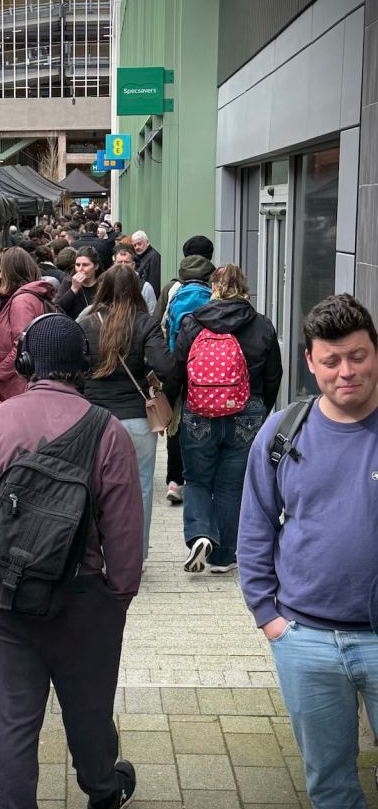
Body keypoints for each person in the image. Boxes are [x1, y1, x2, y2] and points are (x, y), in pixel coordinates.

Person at [0, 312, 143, 809]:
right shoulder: (107, 430)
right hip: (85, 596)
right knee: (88, 707)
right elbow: (124, 531)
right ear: (84, 364)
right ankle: (100, 795)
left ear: (31, 362)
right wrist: (119, 594)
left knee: (14, 722)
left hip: (10, 600)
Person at [238, 294, 378, 809]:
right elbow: (255, 526)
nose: (347, 372)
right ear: (310, 364)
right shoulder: (283, 431)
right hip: (306, 640)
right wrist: (268, 617)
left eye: (359, 357)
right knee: (330, 775)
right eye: (332, 361)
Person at [168, 264, 282, 574]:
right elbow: (274, 376)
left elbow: (177, 369)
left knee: (197, 480)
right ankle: (223, 558)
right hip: (247, 411)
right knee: (232, 487)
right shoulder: (262, 325)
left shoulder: (194, 323)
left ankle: (200, 535)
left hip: (199, 411)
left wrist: (175, 405)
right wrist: (260, 410)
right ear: (245, 288)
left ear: (213, 288)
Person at [79, 266, 172, 563]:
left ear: (102, 288)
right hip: (137, 417)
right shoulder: (145, 323)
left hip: (96, 418)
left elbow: (75, 371)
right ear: (136, 289)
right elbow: (166, 367)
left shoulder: (86, 323)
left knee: (96, 485)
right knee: (142, 486)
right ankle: (135, 557)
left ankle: (99, 553)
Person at [155, 237, 216, 506]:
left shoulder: (171, 289)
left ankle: (174, 481)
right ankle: (202, 478)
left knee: (175, 424)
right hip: (210, 367)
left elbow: (159, 325)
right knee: (207, 419)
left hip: (176, 366)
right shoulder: (215, 290)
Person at [0, 247, 56, 401]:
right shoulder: (27, 297)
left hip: (18, 387)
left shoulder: (22, 301)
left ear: (12, 273)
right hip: (20, 384)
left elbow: (23, 346)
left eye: (2, 271)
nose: (0, 276)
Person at [56, 246, 102, 319]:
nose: (80, 269)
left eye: (85, 265)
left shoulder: (103, 283)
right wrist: (73, 289)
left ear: (96, 266)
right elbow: (58, 309)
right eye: (77, 265)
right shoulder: (68, 282)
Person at [113, 243, 157, 314]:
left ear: (133, 265)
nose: (123, 265)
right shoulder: (108, 284)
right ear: (114, 264)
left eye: (127, 262)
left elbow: (152, 315)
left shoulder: (145, 288)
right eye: (120, 262)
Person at [131, 230, 162, 298]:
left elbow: (154, 284)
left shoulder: (154, 258)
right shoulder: (139, 257)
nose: (137, 247)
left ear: (147, 243)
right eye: (134, 245)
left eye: (139, 244)